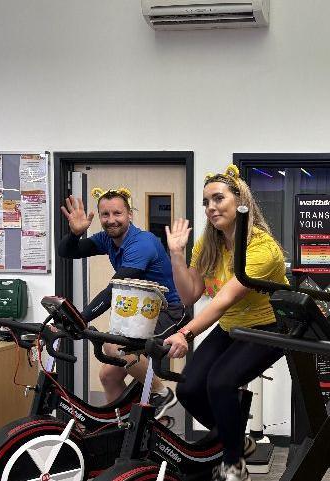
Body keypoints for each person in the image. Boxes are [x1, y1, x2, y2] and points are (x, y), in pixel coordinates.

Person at [164, 165, 287, 481]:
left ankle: (234, 464)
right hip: (231, 327)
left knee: (220, 382)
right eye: (206, 202)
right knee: (190, 389)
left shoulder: (262, 248)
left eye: (218, 198)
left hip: (267, 326)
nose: (211, 207)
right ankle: (238, 440)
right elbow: (190, 294)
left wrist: (185, 333)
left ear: (239, 200)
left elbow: (223, 300)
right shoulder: (210, 244)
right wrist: (176, 255)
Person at [58, 187, 183, 418]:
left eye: (117, 213)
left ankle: (162, 393)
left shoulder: (142, 243)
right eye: (105, 215)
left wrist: (79, 319)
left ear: (129, 215)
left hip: (166, 311)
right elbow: (67, 252)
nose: (111, 220)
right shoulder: (107, 239)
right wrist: (75, 234)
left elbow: (112, 291)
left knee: (113, 346)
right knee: (108, 376)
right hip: (139, 311)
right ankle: (127, 428)